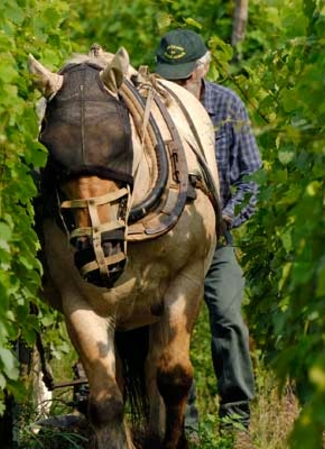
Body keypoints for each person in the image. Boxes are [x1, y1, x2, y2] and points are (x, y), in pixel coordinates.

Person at [154, 29, 262, 442]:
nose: (179, 85)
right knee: (169, 329)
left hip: (217, 240)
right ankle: (187, 425)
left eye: (185, 76)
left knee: (229, 319)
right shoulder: (155, 107)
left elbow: (252, 176)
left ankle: (236, 421)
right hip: (166, 243)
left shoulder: (226, 104)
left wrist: (228, 217)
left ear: (204, 66)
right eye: (171, 77)